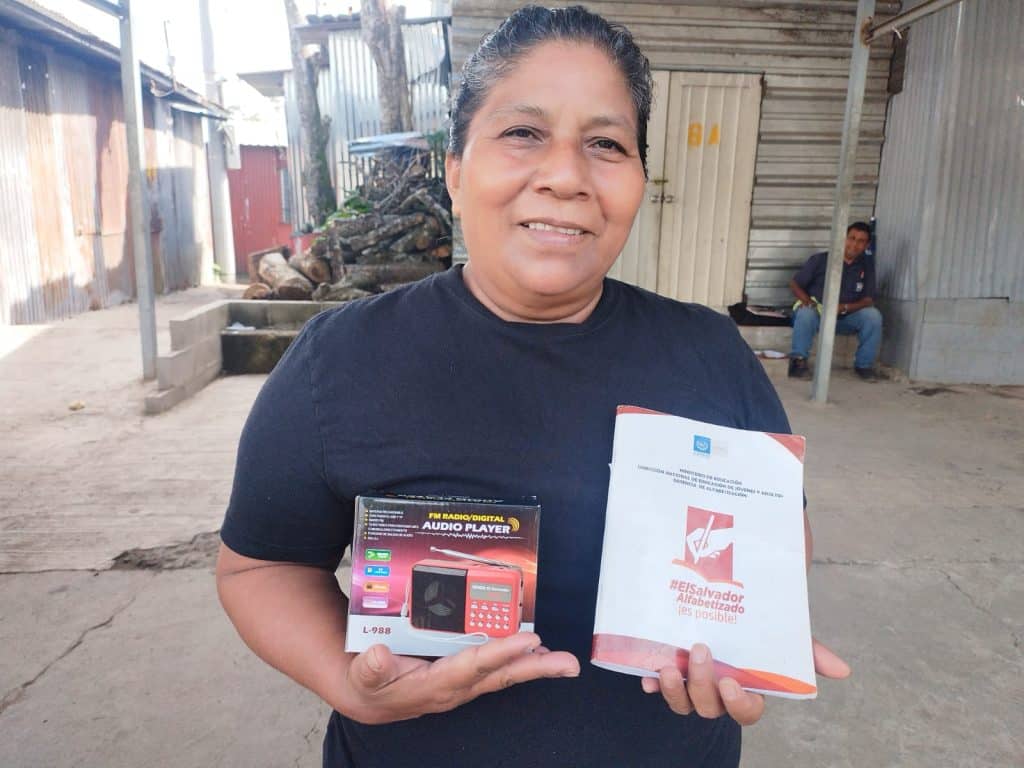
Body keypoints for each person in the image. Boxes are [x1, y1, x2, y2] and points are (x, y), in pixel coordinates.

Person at [216, 6, 849, 767]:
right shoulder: (342, 359)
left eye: (605, 144)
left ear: (640, 181)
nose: (565, 177)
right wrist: (348, 685)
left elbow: (778, 540)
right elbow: (262, 566)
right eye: (522, 134)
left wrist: (745, 639)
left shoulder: (711, 354)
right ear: (456, 171)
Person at [788, 222, 883, 381]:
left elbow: (868, 299)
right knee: (805, 313)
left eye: (861, 241)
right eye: (852, 238)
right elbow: (794, 283)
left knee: (873, 316)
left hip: (846, 317)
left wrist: (845, 307)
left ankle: (864, 366)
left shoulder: (866, 265)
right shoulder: (820, 260)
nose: (855, 244)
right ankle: (798, 362)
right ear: (843, 239)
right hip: (818, 314)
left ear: (866, 245)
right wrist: (807, 301)